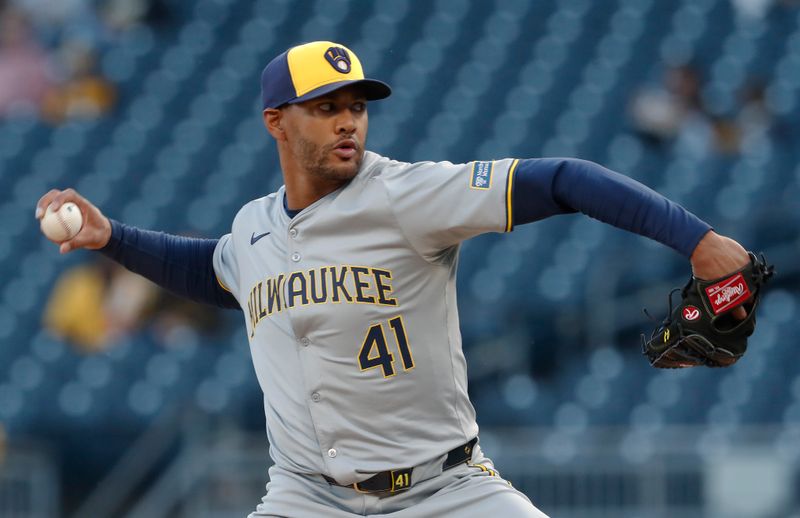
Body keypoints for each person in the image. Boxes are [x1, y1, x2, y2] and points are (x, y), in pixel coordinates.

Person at [36, 41, 751, 517]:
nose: (348, 123)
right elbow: (219, 270)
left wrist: (696, 238)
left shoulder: (410, 195)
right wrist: (114, 239)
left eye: (356, 106)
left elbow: (564, 179)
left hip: (445, 490)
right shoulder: (252, 225)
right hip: (306, 499)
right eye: (325, 109)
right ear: (276, 122)